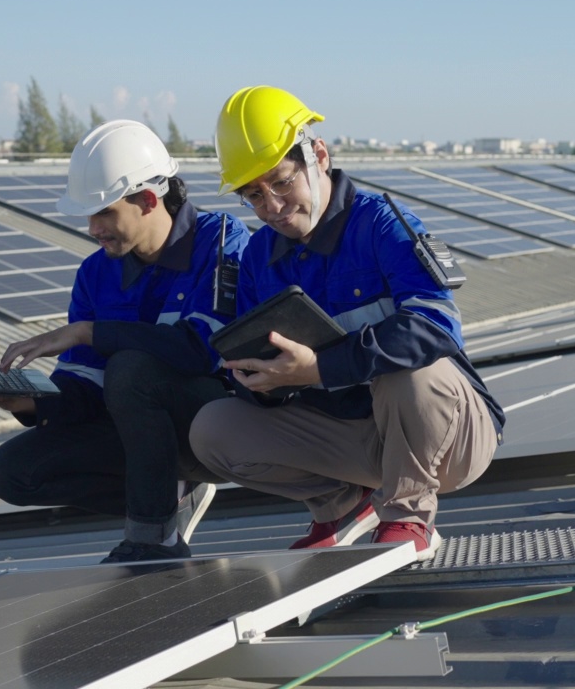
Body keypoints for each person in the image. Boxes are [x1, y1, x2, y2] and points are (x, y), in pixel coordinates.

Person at [189, 86, 504, 561]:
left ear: (318, 154)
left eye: (280, 183)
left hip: (445, 436)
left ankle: (407, 515)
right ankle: (341, 505)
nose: (271, 206)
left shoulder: (381, 225)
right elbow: (253, 372)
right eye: (253, 195)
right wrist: (262, 381)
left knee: (410, 371)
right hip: (353, 436)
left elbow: (436, 329)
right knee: (212, 429)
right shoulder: (258, 257)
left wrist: (320, 368)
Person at [0, 120, 250, 563]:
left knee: (132, 367)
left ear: (148, 200)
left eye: (104, 212)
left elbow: (200, 350)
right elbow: (85, 389)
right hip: (141, 431)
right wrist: (26, 403)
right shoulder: (96, 272)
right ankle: (171, 496)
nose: (92, 229)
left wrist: (90, 331)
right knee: (12, 472)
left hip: (208, 427)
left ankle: (152, 538)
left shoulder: (221, 241)